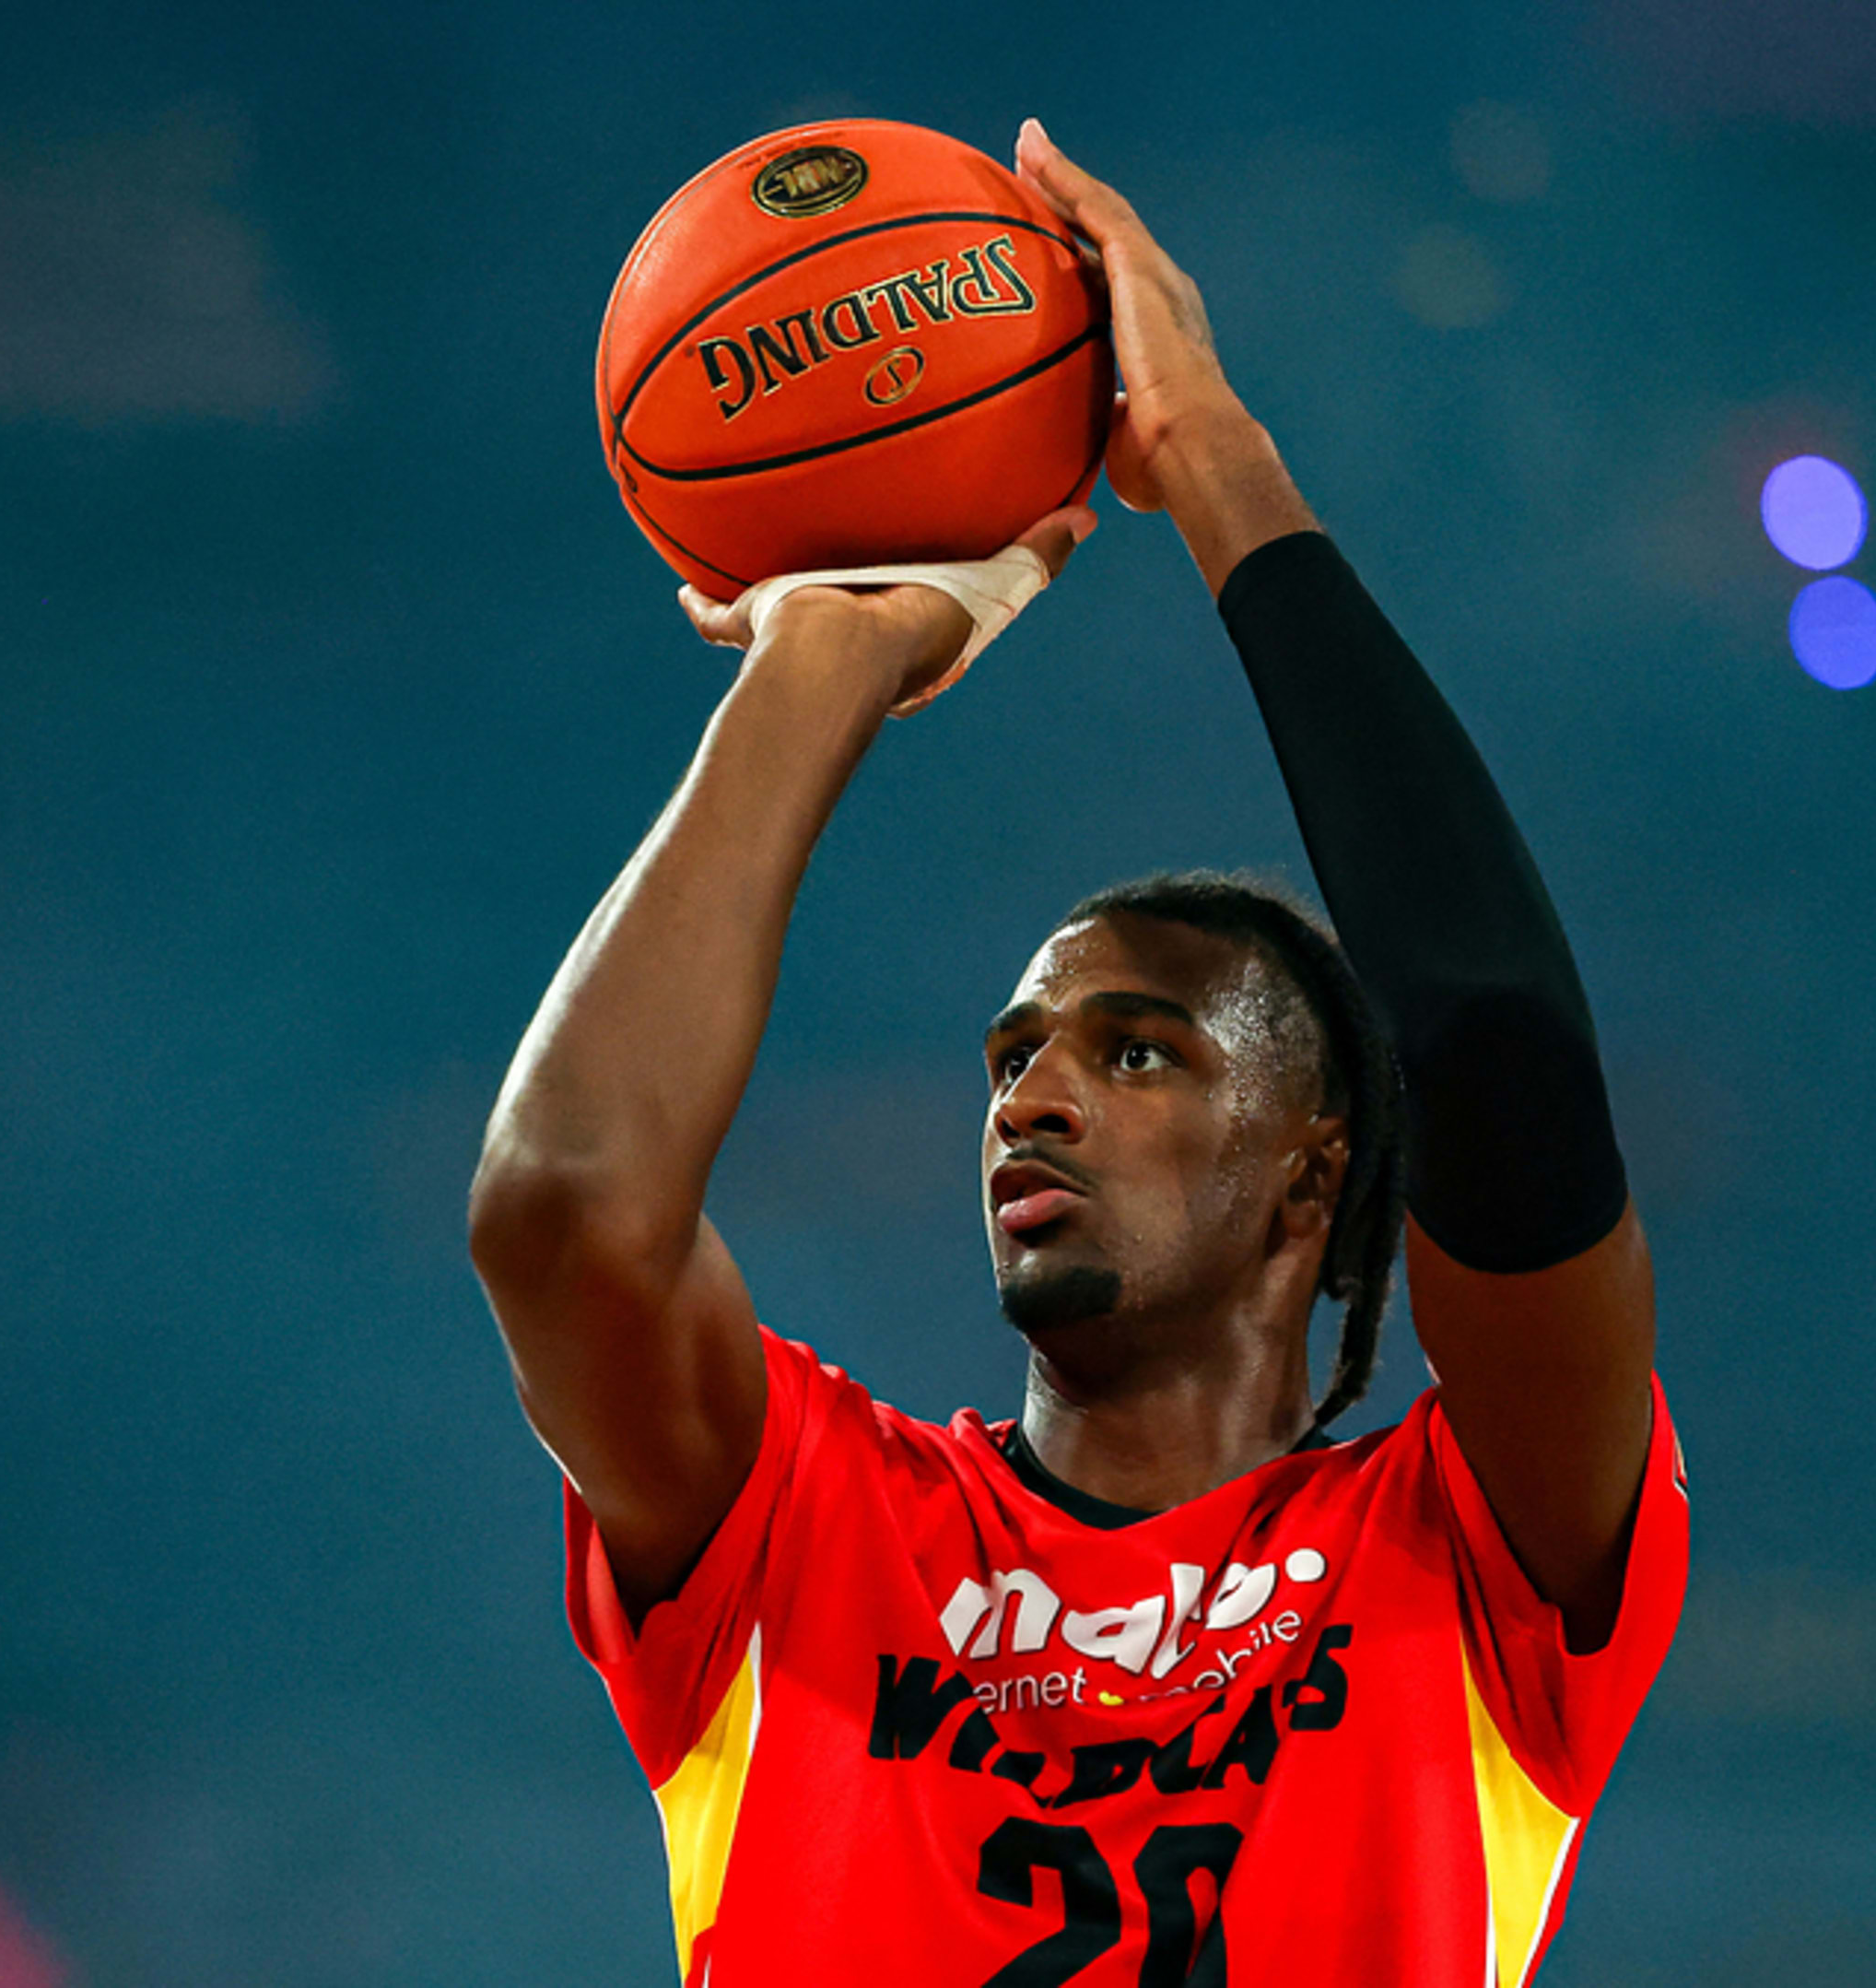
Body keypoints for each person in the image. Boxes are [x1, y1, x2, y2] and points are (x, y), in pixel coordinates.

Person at [468, 119, 1683, 1986]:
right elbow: (561, 1211)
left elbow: (1501, 1046)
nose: (1029, 1093)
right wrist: (823, 651)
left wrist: (1211, 464)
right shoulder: (807, 1520)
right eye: (1017, 1053)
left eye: (1138, 1054)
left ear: (1319, 1158)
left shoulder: (1471, 1551)